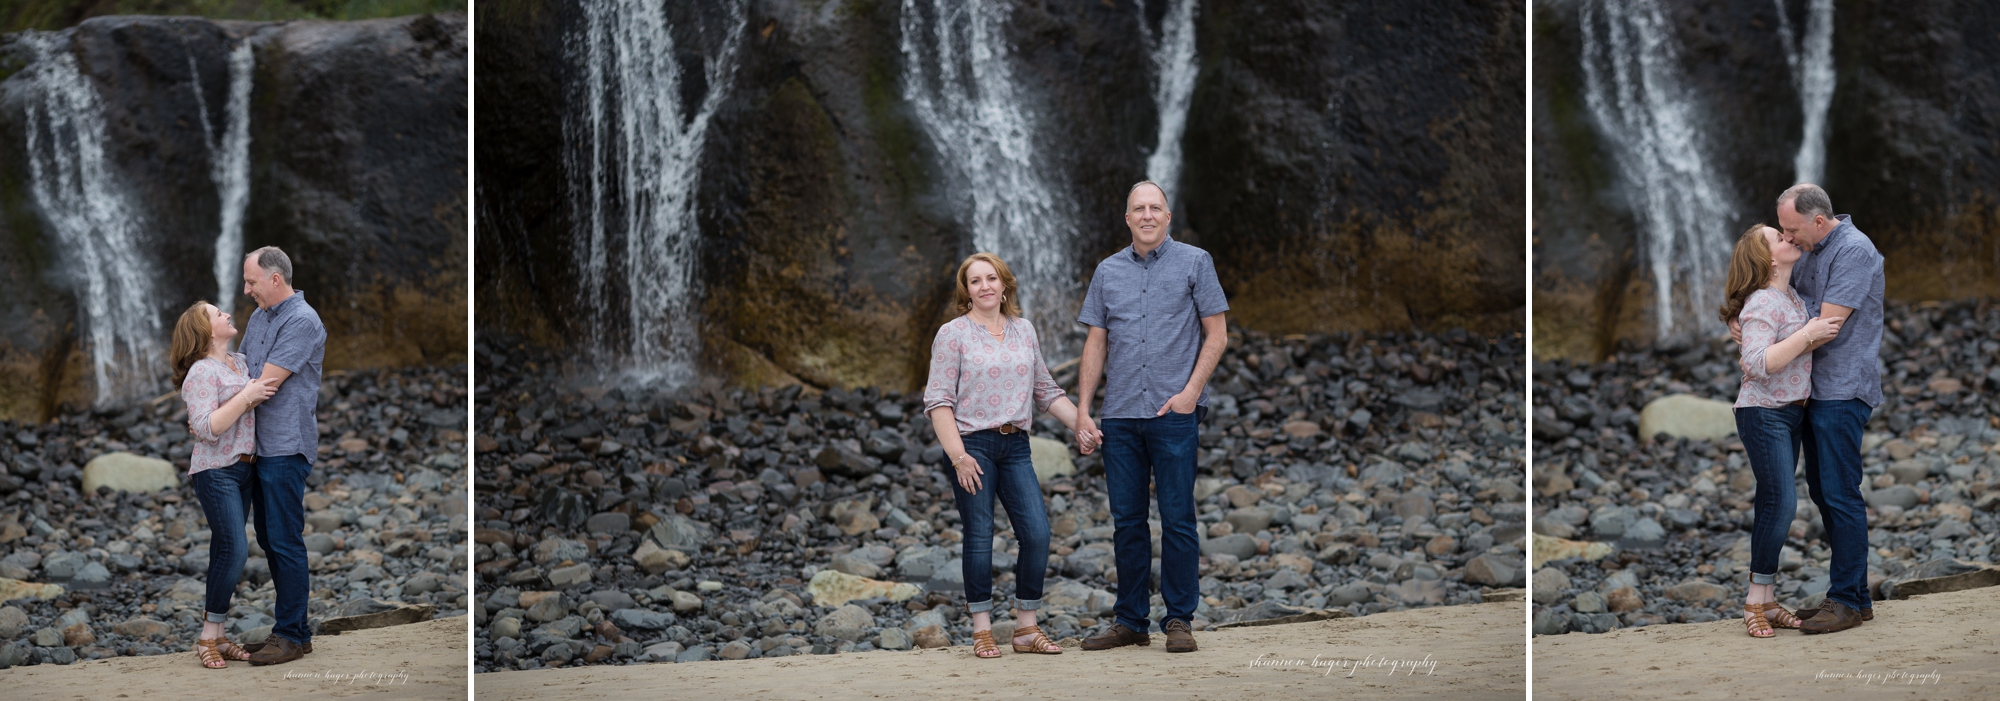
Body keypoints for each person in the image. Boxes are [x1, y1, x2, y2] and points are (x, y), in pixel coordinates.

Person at [1074, 180, 1228, 653]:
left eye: (1154, 208)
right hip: (1119, 415)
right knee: (1127, 522)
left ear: (1167, 215)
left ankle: (1179, 619)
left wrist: (1190, 394)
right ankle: (1130, 622)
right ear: (1127, 218)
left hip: (1172, 413)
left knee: (1178, 518)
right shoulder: (1107, 271)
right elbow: (1096, 342)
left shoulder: (1196, 262)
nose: (1146, 215)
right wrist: (1082, 409)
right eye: (1138, 209)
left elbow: (1217, 334)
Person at [1729, 183, 1884, 635]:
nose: (1787, 236)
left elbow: (1825, 324)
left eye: (1790, 228)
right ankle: (1855, 596)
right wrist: (1739, 316)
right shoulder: (1809, 248)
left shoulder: (1852, 250)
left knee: (1838, 493)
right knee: (1825, 492)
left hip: (1840, 388)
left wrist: (1764, 321)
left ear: (1818, 221)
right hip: (1810, 393)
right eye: (1782, 230)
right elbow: (1765, 289)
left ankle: (1846, 601)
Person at [923, 252, 1090, 659]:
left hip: (1016, 445)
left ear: (1004, 284)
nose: (985, 286)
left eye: (991, 278)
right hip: (972, 446)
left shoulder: (1024, 330)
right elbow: (938, 401)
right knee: (980, 537)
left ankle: (1025, 628)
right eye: (975, 280)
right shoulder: (953, 334)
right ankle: (982, 629)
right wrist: (959, 456)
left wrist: (1083, 425)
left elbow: (1046, 390)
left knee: (1037, 534)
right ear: (967, 290)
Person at [1719, 224, 1842, 638]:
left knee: (1775, 502)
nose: (1789, 238)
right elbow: (1755, 363)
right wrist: (1808, 334)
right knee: (1782, 502)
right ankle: (1755, 601)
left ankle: (1768, 600)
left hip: (1791, 413)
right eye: (1779, 237)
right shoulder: (1763, 302)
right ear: (1769, 259)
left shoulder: (1789, 296)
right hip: (1763, 412)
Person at [170, 301, 280, 668]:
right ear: (203, 330)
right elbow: (205, 428)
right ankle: (207, 635)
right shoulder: (201, 372)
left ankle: (218, 635)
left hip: (245, 468)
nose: (227, 314)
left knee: (223, 550)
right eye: (217, 314)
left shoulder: (241, 362)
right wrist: (246, 397)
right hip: (215, 470)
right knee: (235, 549)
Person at [236, 246, 327, 665]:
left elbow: (263, 384)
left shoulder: (303, 321)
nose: (246, 288)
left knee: (285, 541)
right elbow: (242, 372)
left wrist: (210, 412)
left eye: (252, 281)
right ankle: (299, 634)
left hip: (286, 447)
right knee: (271, 540)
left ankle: (288, 634)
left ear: (275, 279)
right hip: (258, 446)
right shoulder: (258, 317)